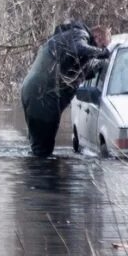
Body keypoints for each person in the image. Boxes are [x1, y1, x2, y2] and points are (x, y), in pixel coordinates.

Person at [21, 21, 111, 157]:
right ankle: (42, 176)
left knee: (40, 147)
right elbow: (79, 49)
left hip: (35, 92)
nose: (102, 48)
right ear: (97, 36)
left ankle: (37, 174)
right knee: (42, 152)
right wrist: (103, 53)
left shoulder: (69, 44)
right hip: (42, 95)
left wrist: (102, 65)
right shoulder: (79, 34)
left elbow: (82, 70)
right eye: (103, 45)